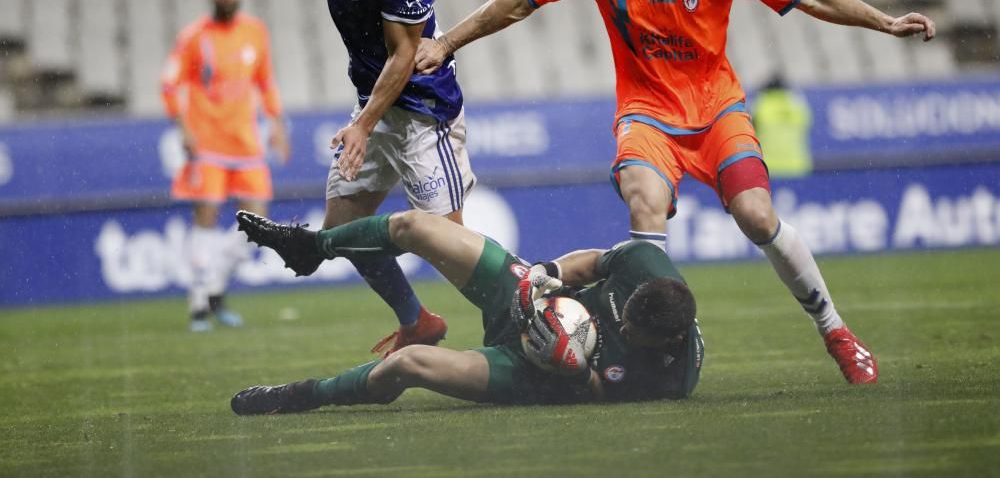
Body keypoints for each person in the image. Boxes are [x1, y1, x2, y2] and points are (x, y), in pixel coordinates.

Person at [414, 0, 938, 384]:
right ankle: (645, 348)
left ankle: (835, 330)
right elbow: (520, 0)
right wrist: (448, 41)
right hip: (647, 116)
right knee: (646, 203)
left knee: (757, 217)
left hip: (717, 113)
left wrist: (885, 22)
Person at [253, 0, 476, 357]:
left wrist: (362, 125)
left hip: (422, 115)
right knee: (345, 232)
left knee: (452, 248)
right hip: (373, 106)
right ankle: (416, 321)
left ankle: (532, 315)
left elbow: (403, 58)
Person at [229, 208, 704, 414]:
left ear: (669, 341)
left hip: (537, 373)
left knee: (409, 364)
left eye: (630, 332)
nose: (620, 327)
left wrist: (576, 371)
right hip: (532, 299)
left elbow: (601, 394)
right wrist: (544, 271)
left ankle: (302, 395)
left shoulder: (672, 378)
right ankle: (313, 247)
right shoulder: (647, 264)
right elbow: (590, 263)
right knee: (415, 226)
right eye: (623, 316)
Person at [161, 0, 291, 332]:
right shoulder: (194, 37)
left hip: (247, 144)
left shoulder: (255, 31)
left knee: (258, 225)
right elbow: (170, 86)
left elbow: (265, 82)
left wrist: (277, 124)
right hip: (208, 144)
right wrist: (184, 128)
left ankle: (214, 286)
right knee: (206, 219)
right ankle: (199, 304)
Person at [751, 75, 813, 178]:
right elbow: (808, 123)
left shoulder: (760, 105)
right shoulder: (797, 106)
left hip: (769, 168)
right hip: (797, 168)